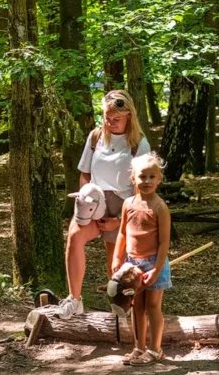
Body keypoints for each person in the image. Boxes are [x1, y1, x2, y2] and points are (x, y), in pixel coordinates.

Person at [56, 90, 150, 319]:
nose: (110, 123)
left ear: (129, 115)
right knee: (74, 238)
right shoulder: (96, 137)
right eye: (107, 118)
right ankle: (74, 299)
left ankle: (119, 311)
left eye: (116, 119)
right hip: (94, 199)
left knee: (115, 262)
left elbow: (142, 190)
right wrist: (87, 198)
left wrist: (119, 220)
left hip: (124, 206)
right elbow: (84, 174)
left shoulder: (139, 144)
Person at [113, 153, 172, 365]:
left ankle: (156, 350)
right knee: (136, 305)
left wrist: (156, 270)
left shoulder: (159, 207)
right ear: (133, 179)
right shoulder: (128, 203)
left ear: (159, 179)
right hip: (132, 264)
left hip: (155, 262)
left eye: (151, 177)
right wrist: (116, 259)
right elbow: (122, 233)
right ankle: (139, 347)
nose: (146, 181)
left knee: (153, 306)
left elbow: (164, 242)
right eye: (142, 177)